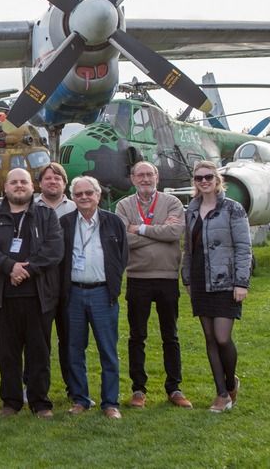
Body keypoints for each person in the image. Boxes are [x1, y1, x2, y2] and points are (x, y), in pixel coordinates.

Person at [0, 168, 63, 419]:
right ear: (5, 188)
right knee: (7, 353)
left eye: (23, 182)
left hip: (38, 296)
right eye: (14, 182)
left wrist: (26, 270)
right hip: (3, 296)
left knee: (39, 352)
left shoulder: (47, 216)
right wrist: (10, 267)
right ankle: (11, 401)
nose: (19, 186)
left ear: (32, 187)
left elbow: (54, 250)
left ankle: (40, 403)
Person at [115, 161, 191, 409]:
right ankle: (138, 389)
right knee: (137, 336)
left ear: (157, 176)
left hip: (167, 278)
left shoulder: (172, 203)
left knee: (171, 335)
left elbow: (174, 233)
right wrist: (158, 233)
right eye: (141, 175)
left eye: (150, 174)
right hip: (138, 278)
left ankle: (175, 388)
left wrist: (142, 229)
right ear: (133, 179)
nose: (145, 178)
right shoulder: (124, 205)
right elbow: (123, 238)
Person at [183, 160, 251, 413]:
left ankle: (231, 381)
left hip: (225, 281)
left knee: (223, 337)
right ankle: (221, 394)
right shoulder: (191, 210)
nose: (204, 181)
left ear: (217, 179)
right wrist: (187, 278)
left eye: (208, 177)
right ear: (195, 182)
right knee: (209, 338)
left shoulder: (233, 209)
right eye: (199, 178)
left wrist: (241, 282)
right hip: (200, 280)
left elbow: (244, 248)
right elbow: (188, 249)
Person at [59, 176, 128, 419]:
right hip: (74, 294)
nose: (84, 197)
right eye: (79, 194)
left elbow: (122, 257)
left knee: (107, 350)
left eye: (89, 193)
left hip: (102, 293)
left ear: (98, 196)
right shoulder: (65, 223)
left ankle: (110, 403)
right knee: (74, 349)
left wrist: (113, 288)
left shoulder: (113, 222)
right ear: (73, 198)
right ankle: (80, 399)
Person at [34, 161, 77, 401]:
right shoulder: (31, 207)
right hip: (40, 282)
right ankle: (36, 388)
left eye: (57, 178)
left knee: (70, 339)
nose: (53, 181)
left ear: (64, 182)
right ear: (40, 183)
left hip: (70, 283)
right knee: (38, 340)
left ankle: (74, 388)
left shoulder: (75, 207)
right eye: (48, 178)